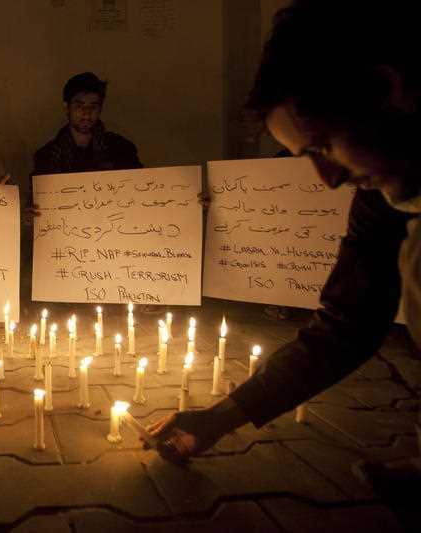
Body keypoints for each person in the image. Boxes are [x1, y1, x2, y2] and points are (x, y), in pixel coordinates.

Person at [146, 0, 420, 470]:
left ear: (386, 89)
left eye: (323, 146)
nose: (328, 179)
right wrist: (218, 419)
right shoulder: (382, 197)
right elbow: (345, 326)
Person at [32, 72, 142, 177]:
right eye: (79, 105)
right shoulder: (47, 156)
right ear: (67, 108)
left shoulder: (121, 149)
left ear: (100, 109)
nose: (86, 113)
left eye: (93, 106)